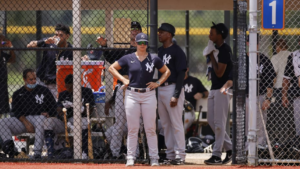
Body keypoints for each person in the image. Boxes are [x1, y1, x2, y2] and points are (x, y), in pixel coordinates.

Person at [108, 33, 170, 166]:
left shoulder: (153, 58)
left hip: (148, 94)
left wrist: (158, 83)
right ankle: (130, 157)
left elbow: (167, 71)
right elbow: (111, 67)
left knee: (150, 128)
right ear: (135, 43)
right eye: (140, 42)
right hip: (132, 94)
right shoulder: (128, 57)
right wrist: (123, 79)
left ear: (147, 44)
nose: (142, 45)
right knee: (133, 128)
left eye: (145, 42)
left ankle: (154, 158)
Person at [97, 21, 142, 159]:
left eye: (136, 30)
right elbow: (111, 59)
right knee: (119, 123)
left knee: (135, 124)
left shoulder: (143, 48)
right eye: (131, 30)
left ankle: (135, 153)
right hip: (122, 87)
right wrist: (104, 47)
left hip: (138, 88)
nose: (133, 32)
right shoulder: (123, 48)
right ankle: (115, 153)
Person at [0, 69, 56, 159]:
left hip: (39, 120)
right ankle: (13, 153)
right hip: (23, 120)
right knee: (2, 123)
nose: (34, 81)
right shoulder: (18, 93)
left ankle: (37, 153)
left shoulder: (44, 90)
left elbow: (53, 106)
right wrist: (26, 122)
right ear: (24, 80)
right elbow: (16, 112)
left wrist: (49, 113)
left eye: (35, 78)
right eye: (31, 79)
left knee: (41, 119)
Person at [43, 74, 95, 159]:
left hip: (81, 119)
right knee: (48, 122)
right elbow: (59, 110)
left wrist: (80, 108)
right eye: (66, 87)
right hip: (65, 121)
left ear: (77, 85)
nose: (68, 90)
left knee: (85, 122)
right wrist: (66, 121)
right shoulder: (63, 94)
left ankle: (84, 153)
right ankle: (50, 154)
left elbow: (91, 109)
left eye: (70, 88)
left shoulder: (86, 91)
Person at [157, 23, 187, 165]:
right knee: (165, 125)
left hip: (173, 88)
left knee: (176, 123)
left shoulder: (177, 51)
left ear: (169, 34)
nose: (159, 34)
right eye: (159, 32)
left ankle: (180, 155)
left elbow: (181, 74)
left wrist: (176, 94)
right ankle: (170, 155)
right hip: (161, 89)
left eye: (162, 32)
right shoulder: (159, 51)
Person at [203, 22, 233, 165]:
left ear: (220, 35)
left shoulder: (225, 50)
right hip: (214, 88)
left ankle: (216, 155)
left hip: (223, 89)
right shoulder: (216, 49)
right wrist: (211, 53)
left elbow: (220, 73)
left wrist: (211, 55)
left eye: (212, 33)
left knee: (219, 124)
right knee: (211, 121)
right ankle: (231, 149)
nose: (210, 35)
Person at [244, 35, 276, 149]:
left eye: (256, 42)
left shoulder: (264, 59)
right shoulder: (242, 59)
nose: (254, 44)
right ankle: (248, 149)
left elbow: (270, 81)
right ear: (247, 43)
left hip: (260, 96)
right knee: (246, 124)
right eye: (251, 42)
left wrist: (268, 99)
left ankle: (260, 148)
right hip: (245, 97)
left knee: (260, 125)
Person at [27, 24, 73, 99]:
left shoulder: (71, 50)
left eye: (61, 35)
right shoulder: (49, 43)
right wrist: (44, 41)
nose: (58, 37)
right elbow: (29, 45)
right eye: (56, 35)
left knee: (54, 107)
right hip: (41, 81)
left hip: (55, 85)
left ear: (67, 36)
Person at [282, 37, 300, 142]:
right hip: (298, 96)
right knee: (298, 127)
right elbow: (286, 78)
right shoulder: (293, 56)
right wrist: (284, 95)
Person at [0, 34, 16, 116]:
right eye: (1, 40)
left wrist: (10, 47)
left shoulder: (2, 54)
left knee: (2, 110)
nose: (3, 42)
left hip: (2, 85)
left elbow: (12, 59)